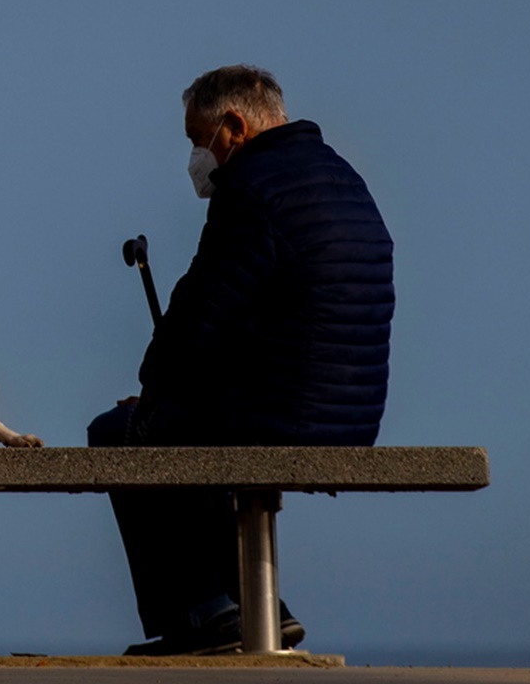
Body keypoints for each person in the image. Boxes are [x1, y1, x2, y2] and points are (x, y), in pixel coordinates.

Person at [88, 64, 394, 656]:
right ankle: (257, 607)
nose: (197, 157)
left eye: (197, 139)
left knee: (121, 432)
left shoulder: (251, 188)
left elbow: (202, 313)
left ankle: (204, 616)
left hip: (283, 412)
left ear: (233, 127)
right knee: (188, 420)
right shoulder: (341, 177)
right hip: (348, 413)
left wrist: (153, 390)